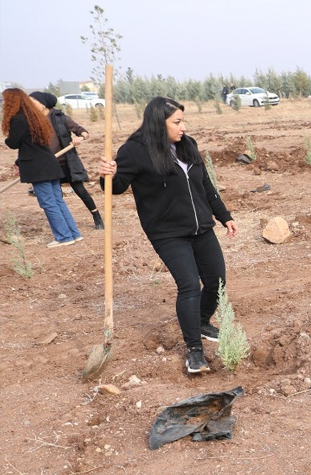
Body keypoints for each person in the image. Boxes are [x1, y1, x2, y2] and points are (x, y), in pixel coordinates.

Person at [98, 97, 238, 375]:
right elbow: (116, 187)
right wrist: (106, 175)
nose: (182, 127)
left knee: (216, 280)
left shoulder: (188, 145)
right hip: (167, 233)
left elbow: (205, 185)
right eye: (176, 122)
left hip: (201, 227)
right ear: (158, 124)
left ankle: (201, 320)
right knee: (188, 285)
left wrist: (224, 216)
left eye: (182, 121)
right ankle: (195, 351)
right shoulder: (135, 151)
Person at [3, 88, 82, 248]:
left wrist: (7, 140)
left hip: (38, 167)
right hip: (49, 162)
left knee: (48, 202)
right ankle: (74, 234)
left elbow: (13, 142)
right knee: (57, 201)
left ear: (13, 101)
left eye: (5, 100)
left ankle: (64, 237)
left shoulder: (18, 119)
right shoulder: (34, 116)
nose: (3, 103)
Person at [30, 91, 104, 230]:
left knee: (80, 190)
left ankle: (97, 217)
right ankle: (65, 225)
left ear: (43, 103)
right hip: (49, 164)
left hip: (67, 162)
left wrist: (79, 138)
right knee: (56, 195)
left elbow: (84, 132)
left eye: (34, 102)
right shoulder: (34, 121)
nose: (31, 105)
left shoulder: (60, 118)